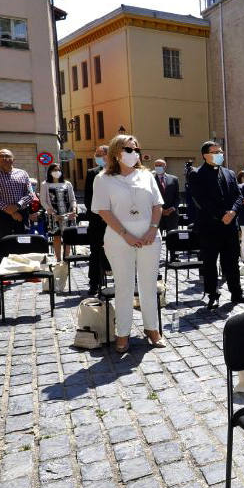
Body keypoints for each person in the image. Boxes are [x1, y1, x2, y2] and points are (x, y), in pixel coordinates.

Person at [90, 135, 165, 353]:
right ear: (116, 152)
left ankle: (152, 329)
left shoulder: (146, 175)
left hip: (150, 236)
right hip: (118, 237)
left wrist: (152, 229)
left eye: (136, 149)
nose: (134, 153)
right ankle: (122, 333)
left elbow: (157, 205)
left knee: (149, 285)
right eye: (129, 149)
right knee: (123, 286)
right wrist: (125, 234)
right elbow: (103, 210)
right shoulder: (103, 178)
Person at [188, 141, 244, 308]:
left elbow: (238, 197)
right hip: (209, 227)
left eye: (220, 151)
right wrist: (220, 215)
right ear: (205, 155)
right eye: (215, 152)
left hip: (229, 226)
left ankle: (236, 293)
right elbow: (200, 200)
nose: (219, 154)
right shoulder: (196, 174)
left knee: (231, 261)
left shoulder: (229, 173)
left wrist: (232, 212)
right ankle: (212, 294)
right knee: (210, 262)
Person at [0, 149, 34, 262]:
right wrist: (10, 210)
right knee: (3, 242)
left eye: (7, 156)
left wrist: (17, 206)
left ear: (13, 159)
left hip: (21, 214)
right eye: (1, 156)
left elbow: (30, 194)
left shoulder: (22, 173)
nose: (4, 158)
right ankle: (3, 273)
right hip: (1, 215)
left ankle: (23, 268)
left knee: (23, 241)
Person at [85, 145, 112, 295]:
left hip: (116, 222)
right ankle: (94, 283)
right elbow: (89, 199)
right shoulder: (92, 173)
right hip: (97, 221)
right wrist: (101, 215)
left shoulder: (117, 172)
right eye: (96, 155)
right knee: (95, 252)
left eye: (100, 155)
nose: (97, 157)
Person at [40, 163, 76, 261]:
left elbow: (73, 199)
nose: (57, 172)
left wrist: (74, 208)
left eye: (58, 170)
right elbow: (43, 200)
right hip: (53, 215)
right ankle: (58, 259)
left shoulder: (67, 183)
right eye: (54, 170)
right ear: (50, 172)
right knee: (56, 237)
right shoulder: (45, 184)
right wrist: (50, 211)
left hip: (67, 215)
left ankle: (67, 259)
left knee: (67, 237)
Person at [152, 159, 180, 233]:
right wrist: (161, 210)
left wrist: (173, 208)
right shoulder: (150, 180)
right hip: (156, 215)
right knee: (157, 238)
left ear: (165, 166)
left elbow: (177, 197)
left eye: (160, 165)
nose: (158, 167)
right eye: (156, 165)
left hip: (172, 214)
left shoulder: (174, 179)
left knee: (172, 238)